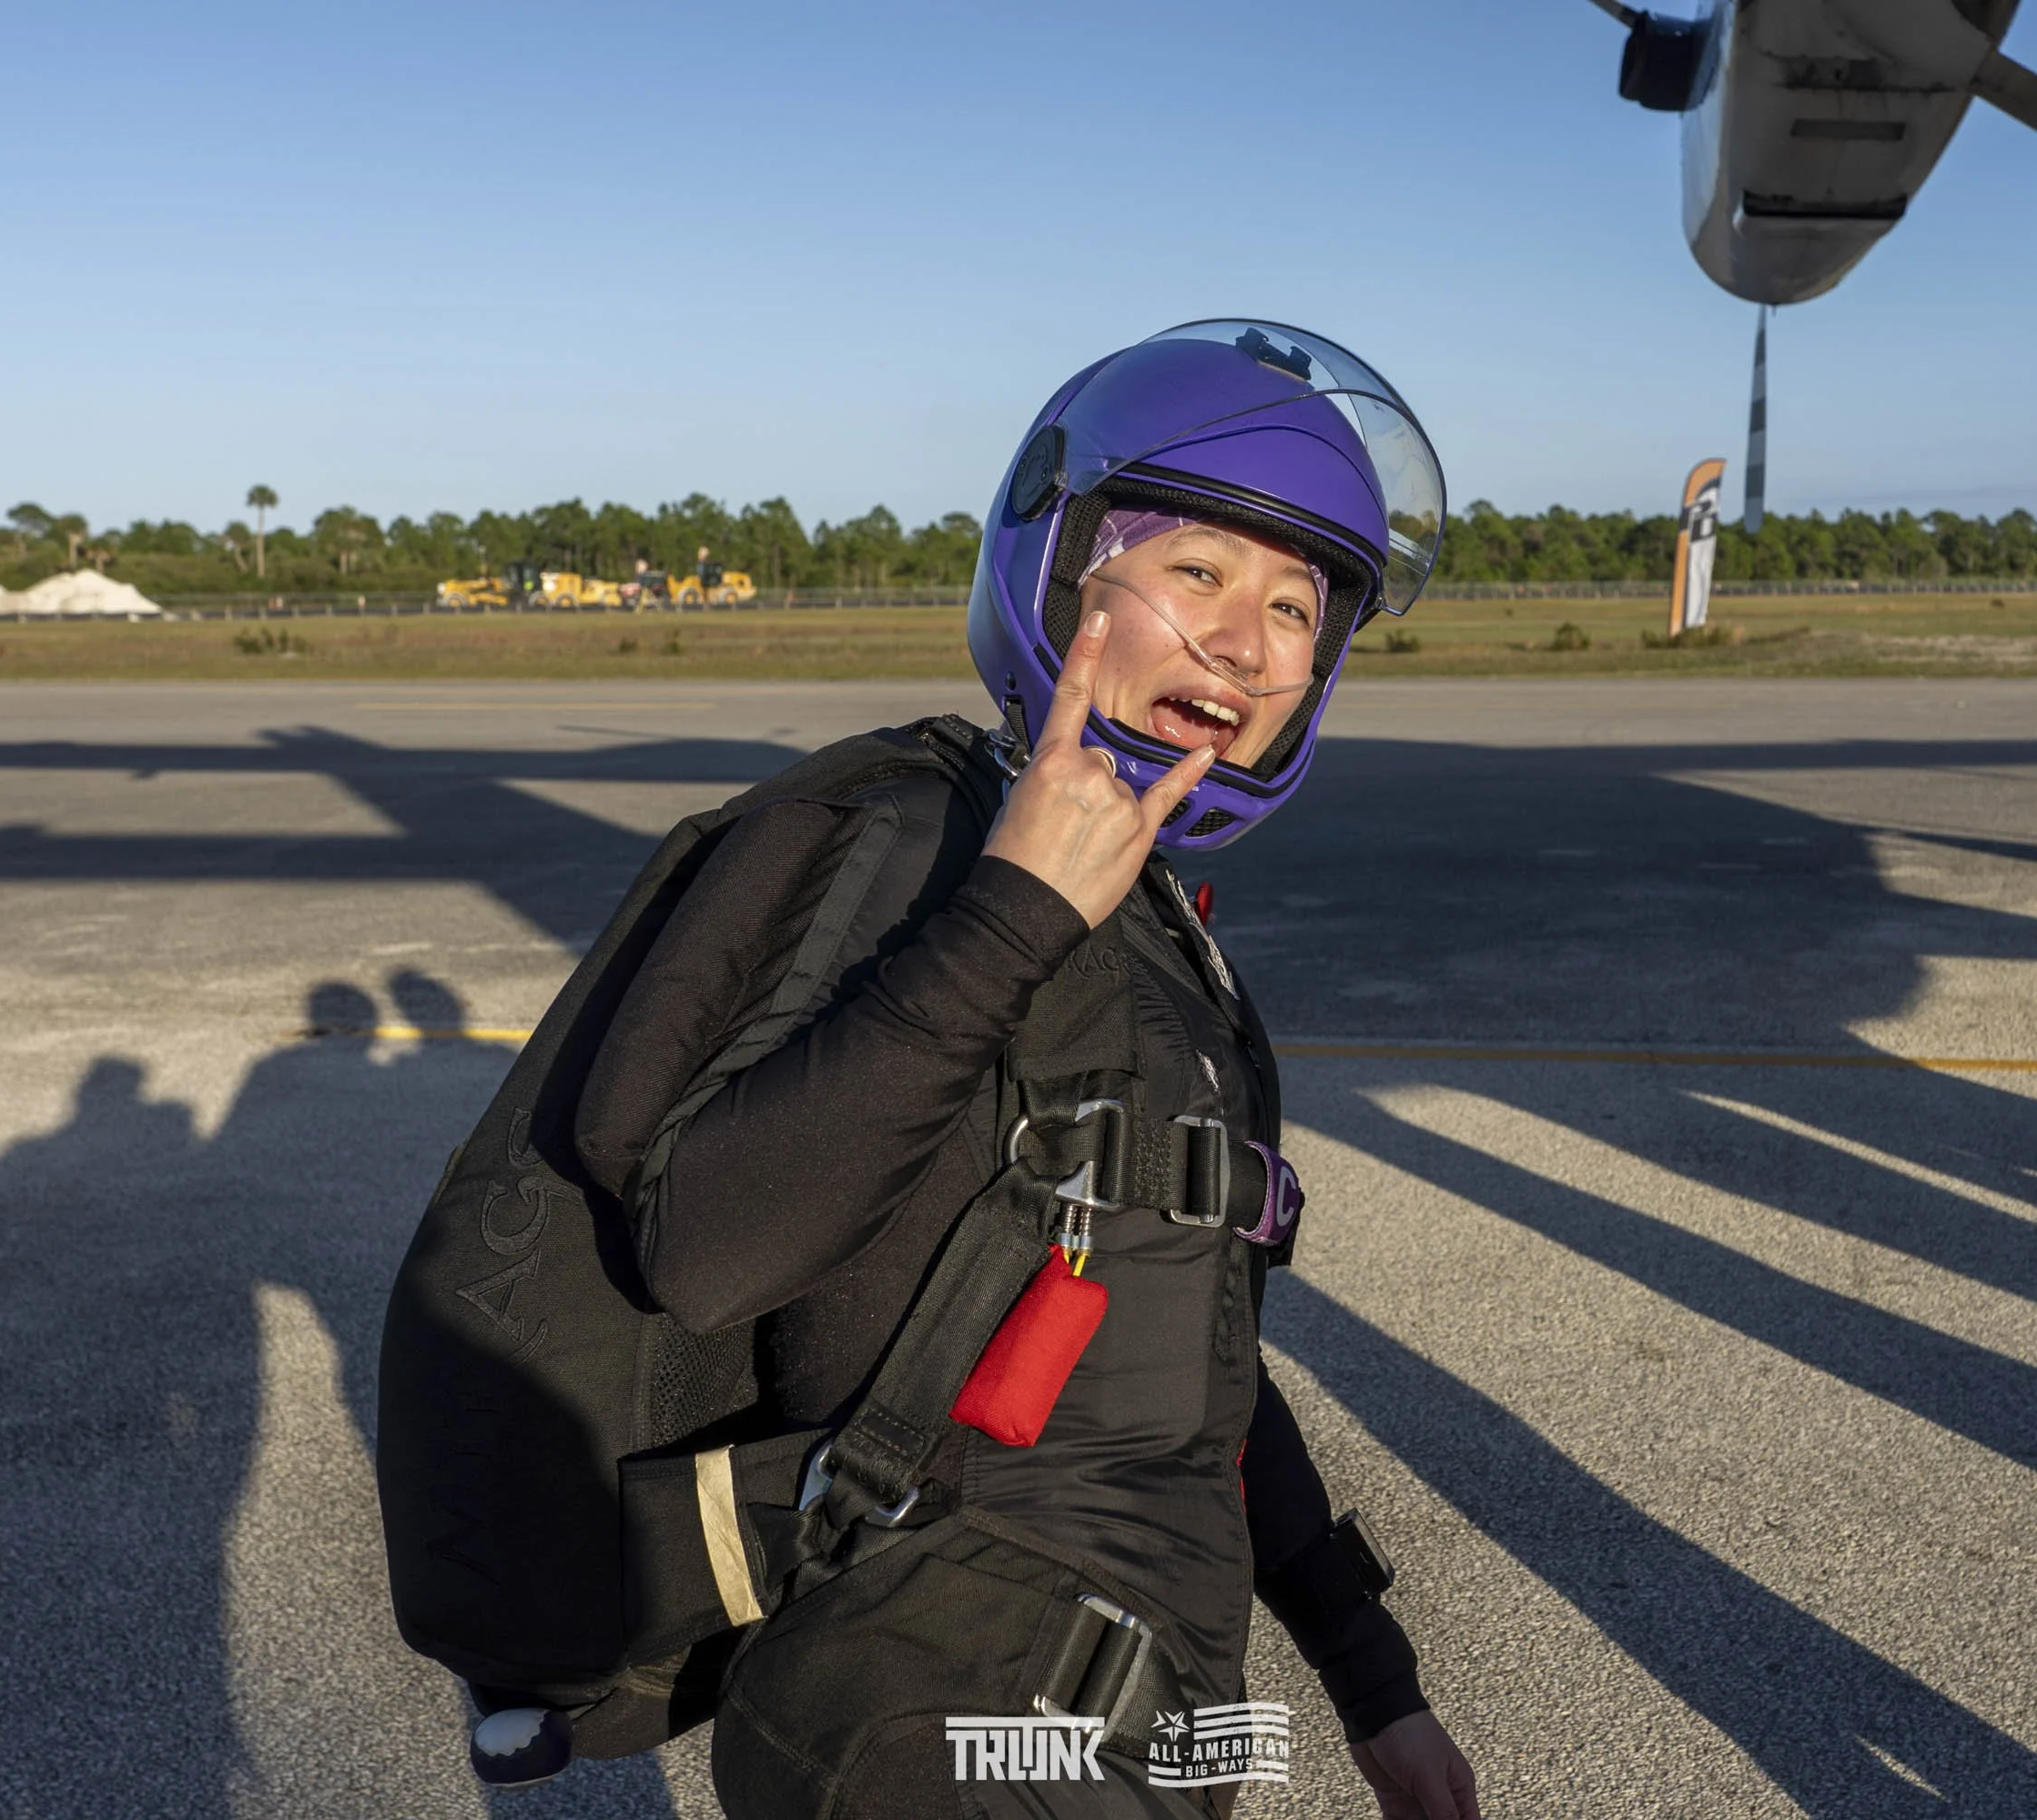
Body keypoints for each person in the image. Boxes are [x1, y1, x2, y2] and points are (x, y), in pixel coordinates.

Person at [573, 320, 1475, 1818]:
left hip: (1140, 1717)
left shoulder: (1167, 946)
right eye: (1197, 573)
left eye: (1298, 606)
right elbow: (706, 1244)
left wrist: (1373, 1680)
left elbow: (1192, 1360)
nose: (1246, 645)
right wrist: (1008, 917)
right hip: (938, 1709)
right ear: (1064, 572)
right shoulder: (913, 850)